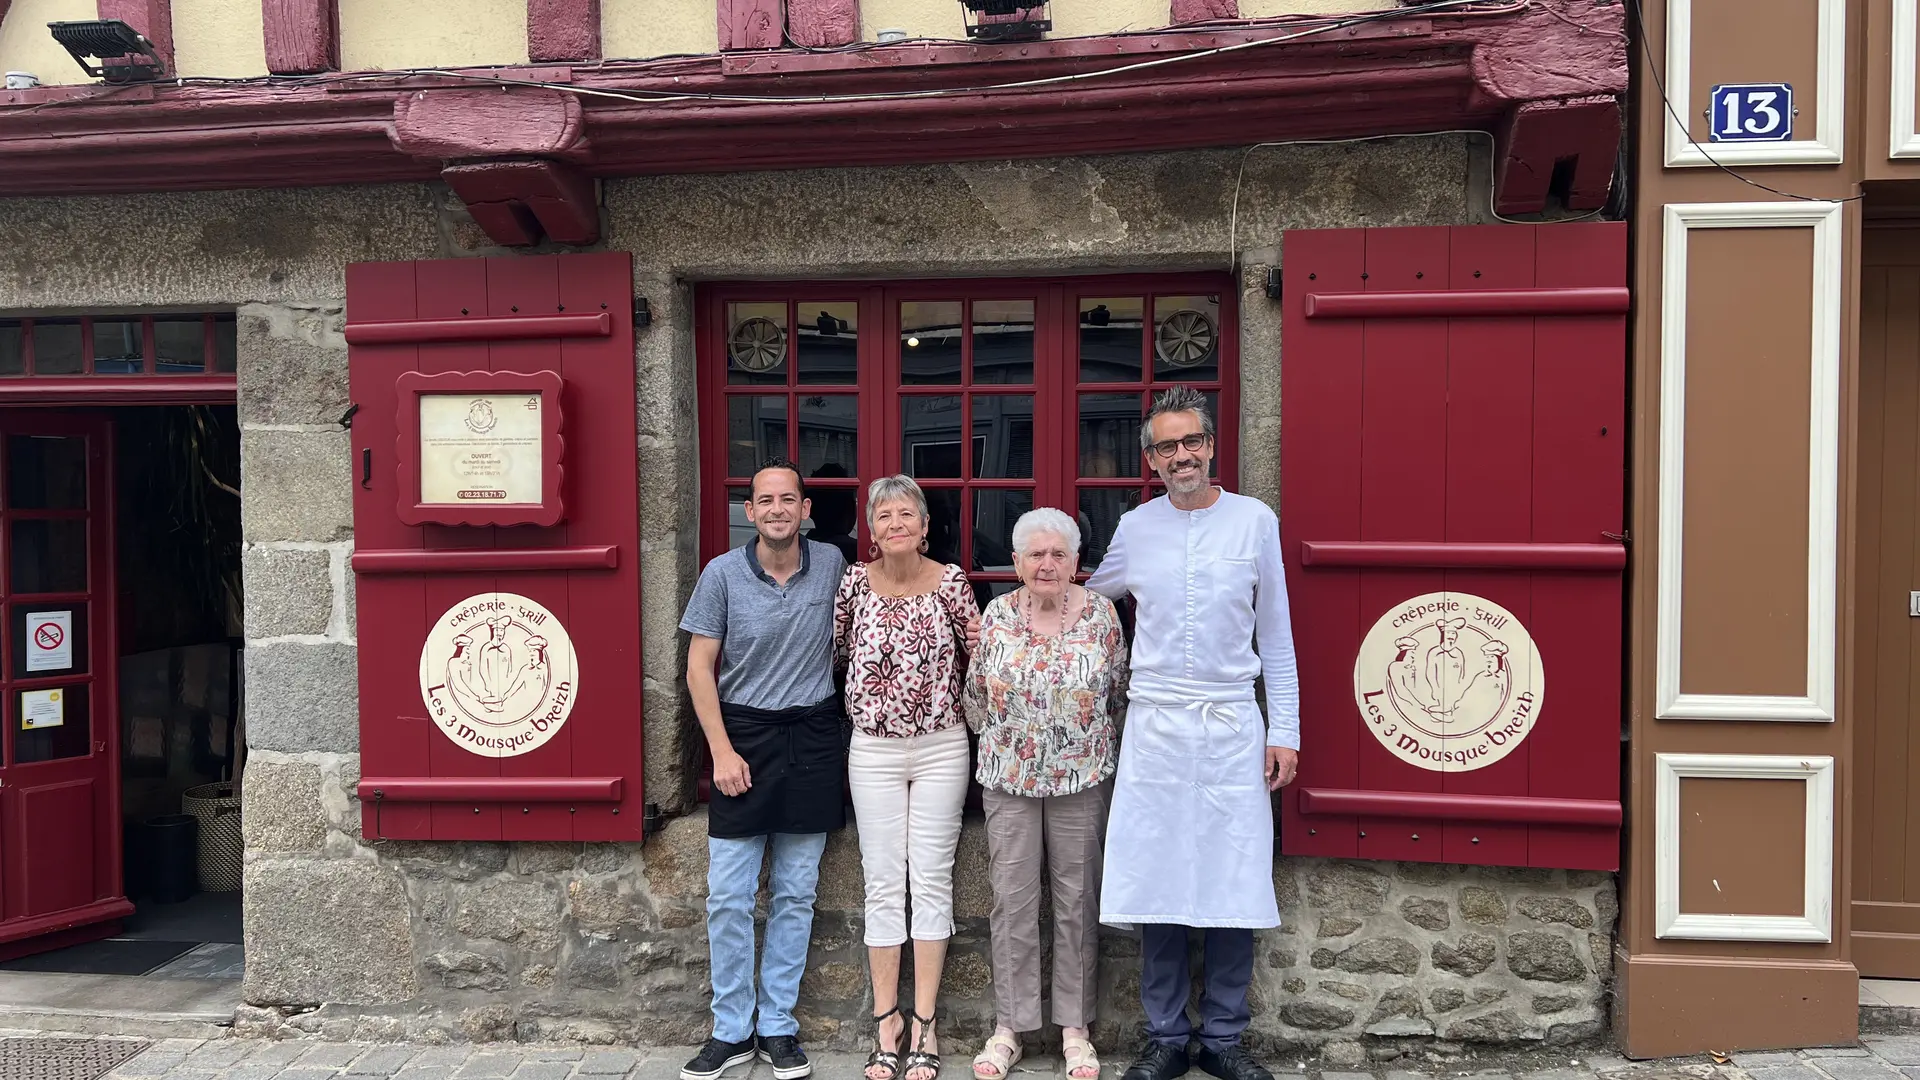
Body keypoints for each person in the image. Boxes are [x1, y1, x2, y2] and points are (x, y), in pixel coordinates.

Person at [1086, 386, 1301, 1080]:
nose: (1182, 455)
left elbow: (1278, 636)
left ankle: (1226, 1038)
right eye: (1167, 446)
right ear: (1150, 458)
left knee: (1232, 875)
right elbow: (1090, 600)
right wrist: (1016, 615)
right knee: (1158, 877)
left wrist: (1285, 730)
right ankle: (1166, 1036)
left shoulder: (1254, 521)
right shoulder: (1135, 528)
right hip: (1155, 726)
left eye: (1192, 442)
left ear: (1210, 447)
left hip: (1231, 720)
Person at [679, 459, 849, 1080]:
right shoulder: (722, 574)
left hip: (812, 735)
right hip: (743, 737)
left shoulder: (832, 564)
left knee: (796, 893)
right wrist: (721, 752)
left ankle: (777, 1026)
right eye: (764, 500)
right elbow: (700, 669)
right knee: (728, 896)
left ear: (806, 509)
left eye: (789, 499)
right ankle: (731, 1031)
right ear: (749, 512)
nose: (777, 509)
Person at [962, 508, 1128, 1080]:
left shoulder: (1104, 617)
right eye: (1036, 554)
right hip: (1009, 780)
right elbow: (975, 698)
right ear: (1016, 562)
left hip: (1081, 779)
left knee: (1078, 899)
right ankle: (1011, 1027)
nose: (1048, 564)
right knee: (1011, 901)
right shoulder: (997, 614)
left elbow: (1118, 695)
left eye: (1059, 554)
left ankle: (1075, 1030)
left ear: (1077, 562)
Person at [834, 474, 981, 1080]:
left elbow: (979, 647)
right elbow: (838, 650)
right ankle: (886, 1020)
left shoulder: (950, 582)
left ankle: (926, 1023)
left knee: (932, 878)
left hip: (942, 746)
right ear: (872, 530)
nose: (896, 525)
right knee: (882, 880)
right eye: (885, 516)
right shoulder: (852, 585)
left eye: (907, 516)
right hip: (871, 750)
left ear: (924, 527)